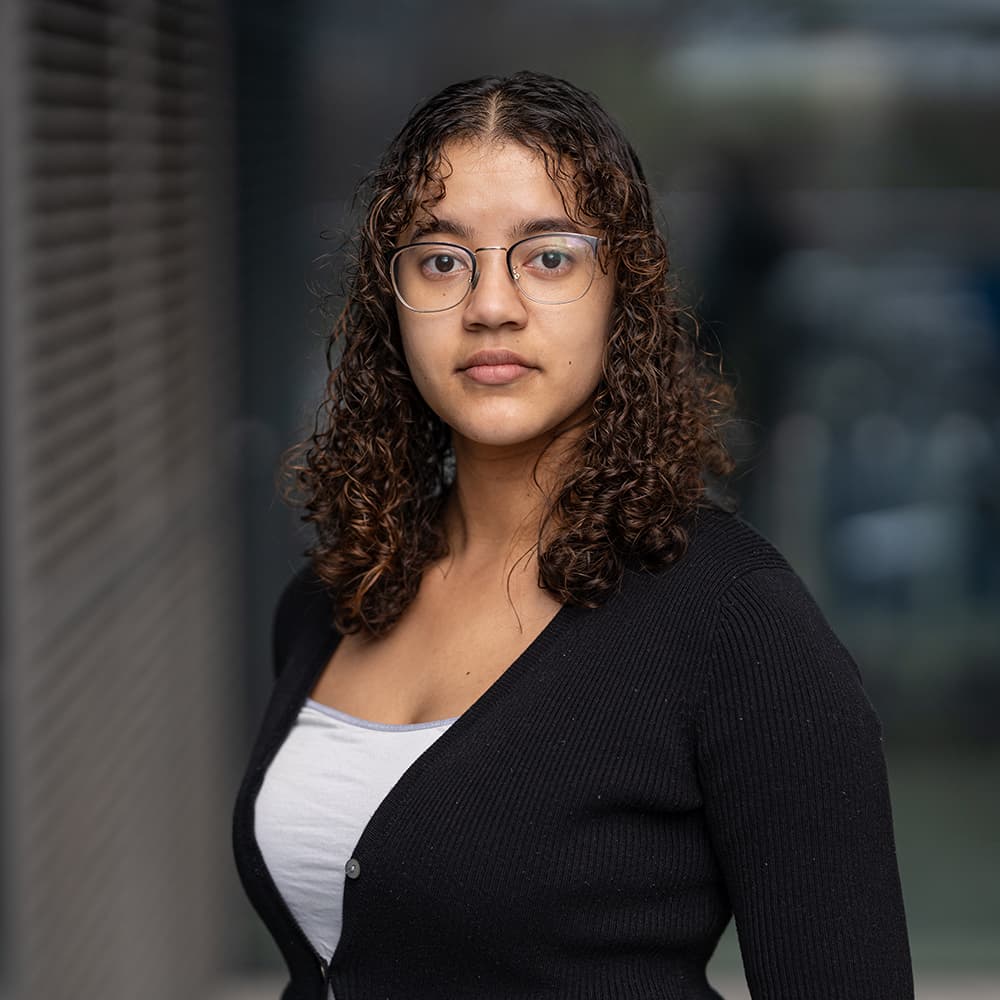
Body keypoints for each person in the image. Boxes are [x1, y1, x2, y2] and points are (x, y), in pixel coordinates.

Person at [233, 72, 913, 999]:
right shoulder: (332, 595)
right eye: (441, 259)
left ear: (619, 290)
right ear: (390, 302)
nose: (490, 305)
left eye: (547, 257)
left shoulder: (734, 622)